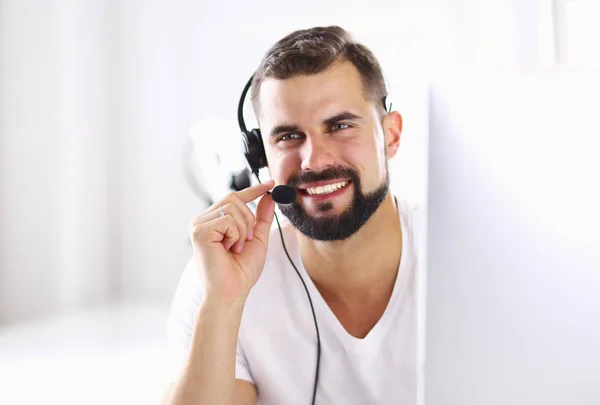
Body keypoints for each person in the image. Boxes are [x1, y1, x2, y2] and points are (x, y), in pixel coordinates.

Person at [161, 25, 423, 405]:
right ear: (260, 157)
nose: (314, 160)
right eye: (288, 136)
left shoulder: (467, 253)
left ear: (391, 136)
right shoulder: (219, 278)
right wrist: (223, 304)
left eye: (340, 126)